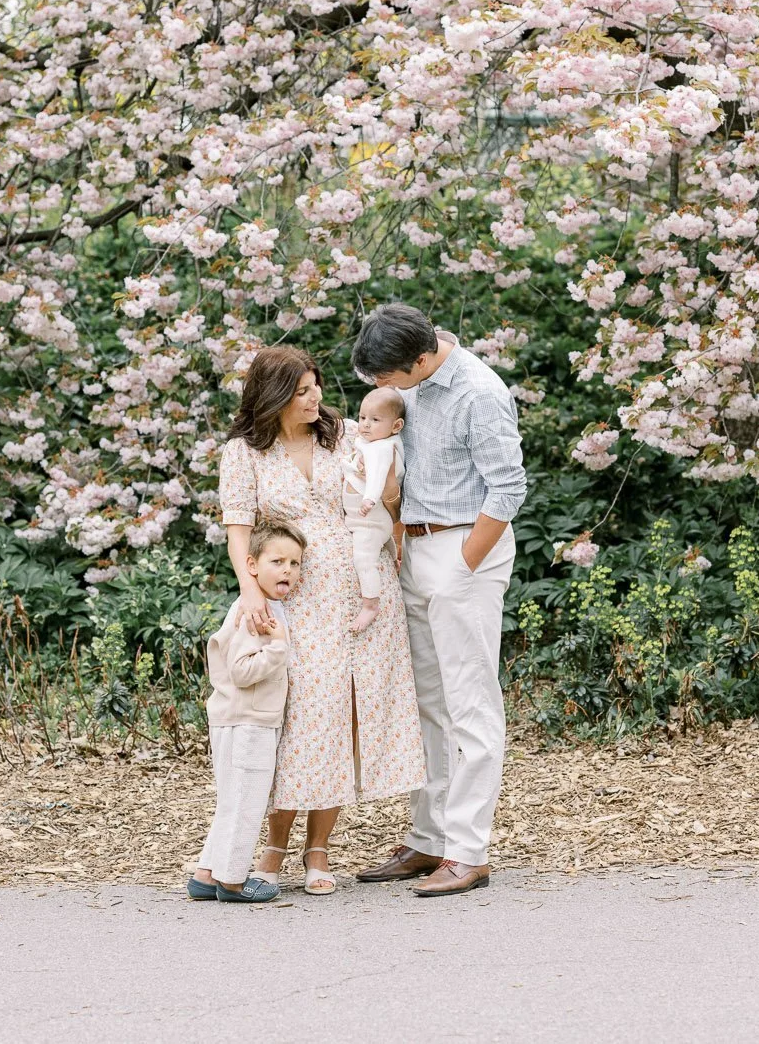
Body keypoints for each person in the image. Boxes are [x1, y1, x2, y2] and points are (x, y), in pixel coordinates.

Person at [217, 344, 427, 895]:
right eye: (303, 390)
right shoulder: (244, 452)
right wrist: (249, 588)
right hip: (296, 593)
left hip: (361, 593)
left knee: (344, 713)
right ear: (276, 396)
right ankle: (273, 845)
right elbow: (239, 528)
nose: (316, 399)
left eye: (316, 387)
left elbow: (388, 490)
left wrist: (393, 512)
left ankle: (319, 849)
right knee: (302, 717)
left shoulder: (343, 435)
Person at [350, 304, 527, 898]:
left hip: (462, 553)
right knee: (427, 703)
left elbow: (508, 487)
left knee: (471, 703)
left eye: (385, 378)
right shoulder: (416, 378)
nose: (378, 389)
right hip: (416, 549)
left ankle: (469, 852)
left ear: (420, 360)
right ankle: (429, 839)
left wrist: (464, 563)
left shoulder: (480, 392)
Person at [187, 520, 300, 904]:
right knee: (247, 803)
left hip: (240, 718)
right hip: (247, 721)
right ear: (251, 565)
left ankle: (206, 874)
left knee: (232, 800)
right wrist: (279, 649)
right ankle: (233, 881)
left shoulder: (269, 607)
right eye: (278, 561)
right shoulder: (252, 611)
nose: (287, 570)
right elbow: (242, 670)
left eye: (295, 563)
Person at [343, 387, 405, 634]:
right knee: (372, 545)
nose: (366, 425)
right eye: (362, 418)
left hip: (369, 519)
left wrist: (369, 498)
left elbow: (379, 476)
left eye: (375, 420)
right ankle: (390, 549)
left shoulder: (382, 448)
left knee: (363, 559)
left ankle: (370, 604)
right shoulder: (371, 443)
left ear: (396, 425)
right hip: (363, 521)